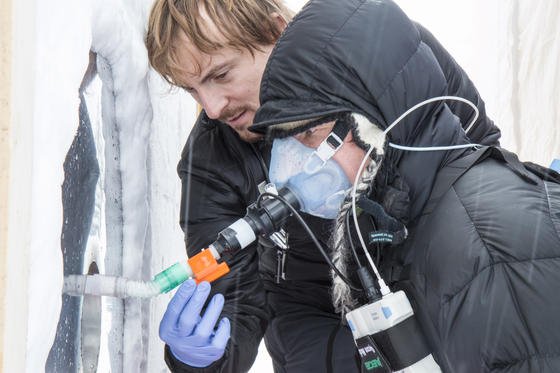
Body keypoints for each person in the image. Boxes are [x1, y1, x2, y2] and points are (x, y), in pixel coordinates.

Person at [145, 0, 502, 372]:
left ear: (276, 31)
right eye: (192, 89)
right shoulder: (213, 156)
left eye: (220, 75)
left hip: (440, 319)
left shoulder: (382, 58)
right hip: (319, 346)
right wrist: (202, 358)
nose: (212, 107)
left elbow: (475, 165)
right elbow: (235, 302)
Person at [248, 0, 560, 372]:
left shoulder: (493, 251)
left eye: (309, 135)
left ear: (373, 121)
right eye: (286, 143)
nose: (294, 166)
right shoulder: (404, 225)